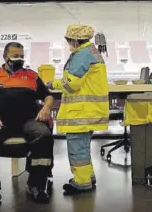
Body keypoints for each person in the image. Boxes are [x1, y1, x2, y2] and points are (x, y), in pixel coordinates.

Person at [0, 42, 54, 210]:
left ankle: (36, 185)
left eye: (22, 56)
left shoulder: (31, 76)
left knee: (43, 135)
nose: (20, 59)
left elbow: (48, 96)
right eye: (15, 56)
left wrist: (46, 108)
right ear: (5, 56)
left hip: (28, 121)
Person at [47, 24, 109, 195]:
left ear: (74, 40)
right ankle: (88, 177)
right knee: (83, 147)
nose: (68, 43)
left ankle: (81, 183)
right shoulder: (90, 52)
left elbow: (71, 84)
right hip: (89, 111)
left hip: (81, 112)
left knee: (77, 147)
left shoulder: (82, 55)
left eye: (68, 40)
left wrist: (53, 84)